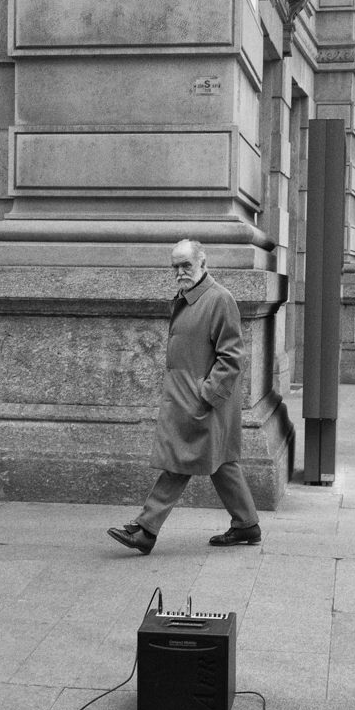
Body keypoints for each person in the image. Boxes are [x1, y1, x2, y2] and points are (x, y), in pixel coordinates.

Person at [107, 238, 260, 555]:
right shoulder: (188, 297)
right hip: (190, 399)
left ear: (203, 263)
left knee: (179, 460)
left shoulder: (219, 299)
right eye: (175, 266)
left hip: (202, 403)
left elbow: (232, 357)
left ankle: (146, 528)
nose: (179, 272)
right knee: (221, 463)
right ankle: (246, 524)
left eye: (186, 265)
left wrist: (206, 395)